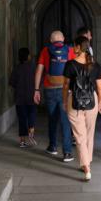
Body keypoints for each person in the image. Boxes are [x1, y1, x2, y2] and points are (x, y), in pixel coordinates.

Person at [62, 36, 101, 181]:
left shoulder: (70, 65)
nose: (73, 48)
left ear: (78, 47)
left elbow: (66, 86)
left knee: (79, 135)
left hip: (74, 100)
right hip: (91, 101)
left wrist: (64, 101)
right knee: (89, 133)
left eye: (74, 46)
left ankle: (86, 166)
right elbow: (100, 87)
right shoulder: (95, 65)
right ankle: (87, 162)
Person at [34, 30, 75, 161]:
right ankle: (67, 152)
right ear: (63, 39)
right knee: (65, 121)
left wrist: (36, 89)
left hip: (49, 88)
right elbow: (75, 70)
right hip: (65, 89)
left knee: (52, 118)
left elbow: (39, 70)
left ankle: (52, 147)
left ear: (51, 40)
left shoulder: (46, 50)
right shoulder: (70, 50)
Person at [9, 47, 37, 148]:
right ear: (28, 56)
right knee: (32, 115)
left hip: (20, 98)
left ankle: (22, 141)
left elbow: (12, 82)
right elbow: (38, 80)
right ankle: (31, 133)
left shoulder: (17, 68)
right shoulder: (33, 67)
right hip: (31, 97)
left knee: (22, 118)